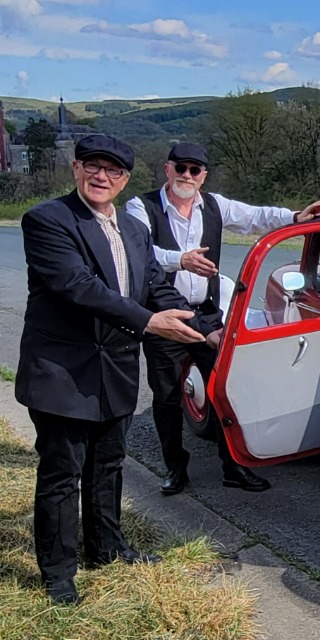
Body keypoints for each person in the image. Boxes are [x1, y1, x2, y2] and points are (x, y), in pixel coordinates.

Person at [16, 134, 214, 605]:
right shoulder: (47, 220)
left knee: (108, 466)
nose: (100, 176)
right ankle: (59, 575)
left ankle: (105, 548)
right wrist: (149, 322)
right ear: (76, 168)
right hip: (63, 372)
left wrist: (200, 326)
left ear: (125, 179)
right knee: (63, 473)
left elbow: (153, 286)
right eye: (92, 166)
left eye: (113, 170)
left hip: (116, 370)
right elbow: (78, 287)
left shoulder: (134, 229)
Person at [125, 142, 320, 495]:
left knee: (226, 390)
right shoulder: (140, 206)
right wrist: (180, 260)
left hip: (206, 313)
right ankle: (175, 468)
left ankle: (233, 465)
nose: (187, 175)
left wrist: (295, 218)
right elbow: (137, 250)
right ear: (167, 169)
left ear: (203, 175)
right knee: (168, 396)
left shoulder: (214, 205)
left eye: (195, 170)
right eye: (181, 168)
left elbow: (256, 217)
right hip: (164, 315)